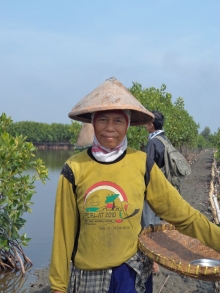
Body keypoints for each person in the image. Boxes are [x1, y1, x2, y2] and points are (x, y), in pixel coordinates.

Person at [49, 77, 220, 293]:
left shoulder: (142, 163)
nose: (110, 128)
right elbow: (62, 234)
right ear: (93, 123)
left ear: (128, 124)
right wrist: (57, 286)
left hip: (131, 274)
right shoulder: (73, 168)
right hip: (88, 276)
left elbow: (184, 216)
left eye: (118, 121)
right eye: (102, 120)